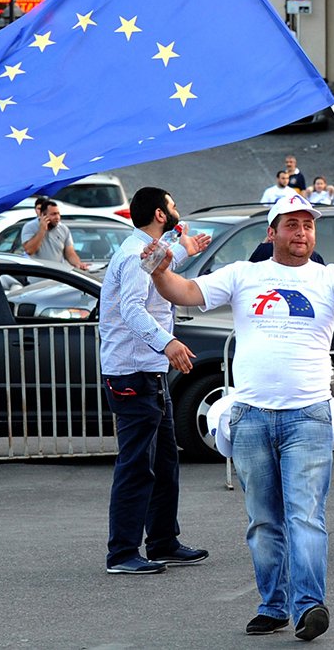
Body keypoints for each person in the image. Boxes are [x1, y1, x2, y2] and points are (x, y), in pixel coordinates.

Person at [147, 193, 334, 641]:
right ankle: (272, 604)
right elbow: (187, 291)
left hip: (309, 417)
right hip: (252, 416)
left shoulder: (331, 277)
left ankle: (309, 604)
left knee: (305, 516)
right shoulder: (244, 274)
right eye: (291, 225)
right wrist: (160, 271)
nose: (301, 233)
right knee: (262, 520)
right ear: (271, 232)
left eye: (307, 226)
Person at [100, 187, 211, 575]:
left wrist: (186, 249)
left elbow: (158, 268)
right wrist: (168, 343)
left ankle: (163, 541)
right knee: (137, 464)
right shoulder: (133, 255)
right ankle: (122, 553)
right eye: (173, 203)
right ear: (161, 214)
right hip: (131, 373)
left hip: (150, 372)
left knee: (164, 460)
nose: (177, 208)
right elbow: (131, 307)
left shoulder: (147, 250)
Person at [20, 198, 89, 270]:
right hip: (38, 277)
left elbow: (70, 253)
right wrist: (42, 230)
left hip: (57, 276)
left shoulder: (63, 229)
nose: (57, 217)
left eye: (58, 213)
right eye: (53, 214)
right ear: (43, 215)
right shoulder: (30, 227)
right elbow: (29, 250)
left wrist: (78, 264)